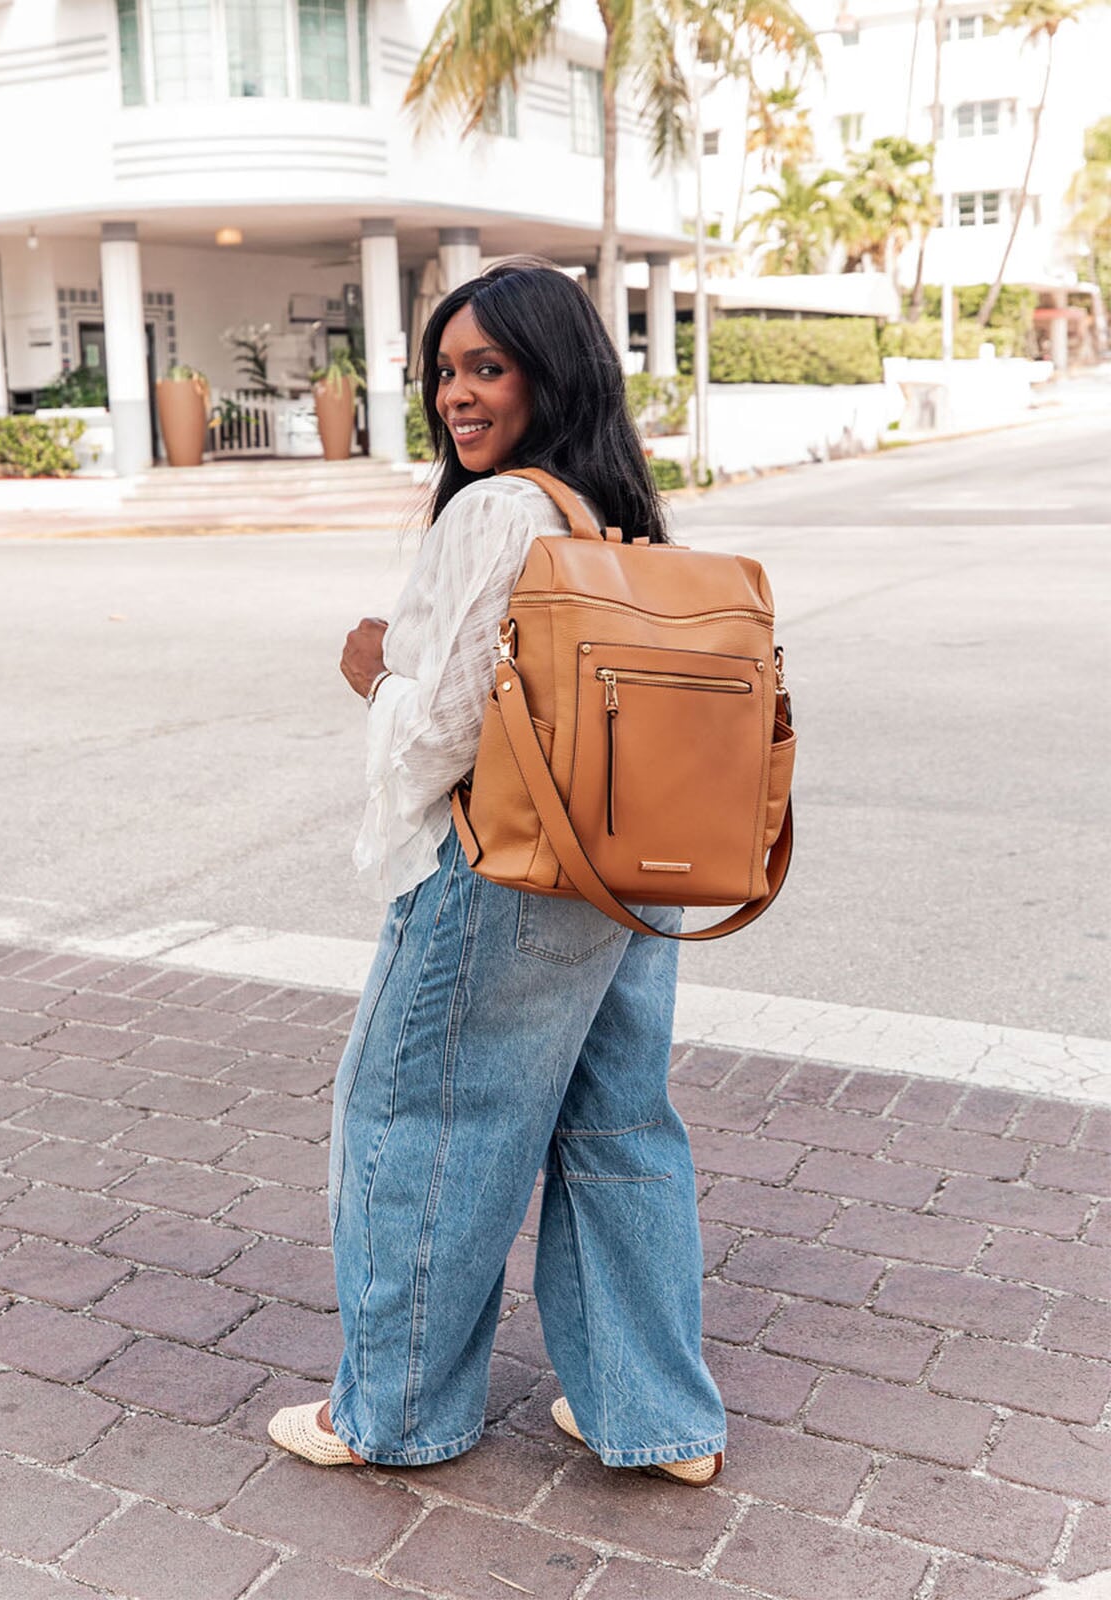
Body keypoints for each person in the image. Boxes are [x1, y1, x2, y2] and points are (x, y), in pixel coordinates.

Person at [267, 259, 727, 1485]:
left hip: (508, 865)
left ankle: (394, 1414)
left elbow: (444, 730)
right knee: (618, 1122)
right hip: (631, 862)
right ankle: (653, 1415)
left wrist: (372, 667)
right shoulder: (610, 506)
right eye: (445, 372)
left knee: (413, 1118)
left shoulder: (500, 511)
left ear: (548, 371)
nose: (457, 396)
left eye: (488, 367)